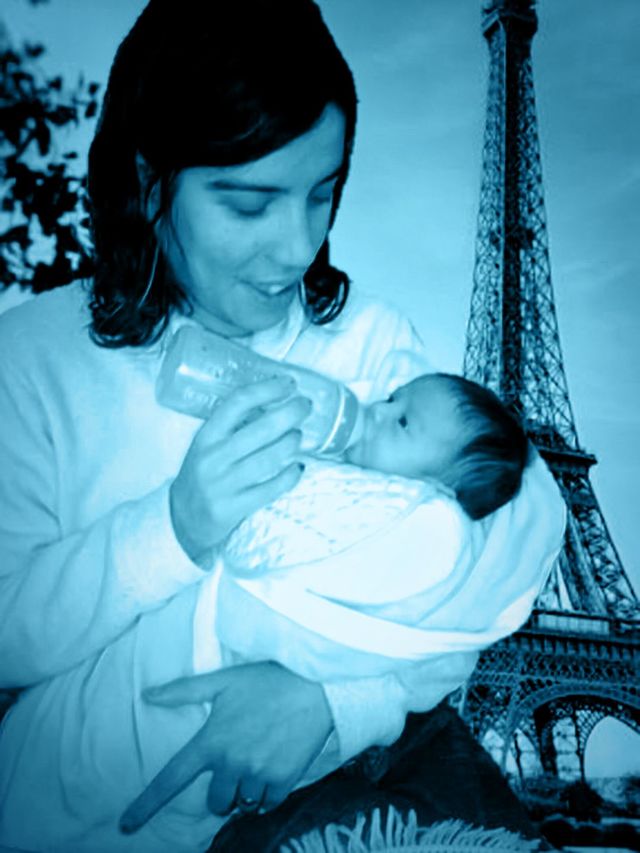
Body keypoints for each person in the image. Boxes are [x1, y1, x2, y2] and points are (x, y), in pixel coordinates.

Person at [0, 1, 565, 852]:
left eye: (322, 193)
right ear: (150, 181)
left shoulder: (372, 346)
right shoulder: (30, 362)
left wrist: (335, 704)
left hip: (331, 803)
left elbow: (493, 568)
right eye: (249, 204)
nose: (298, 246)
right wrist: (173, 527)